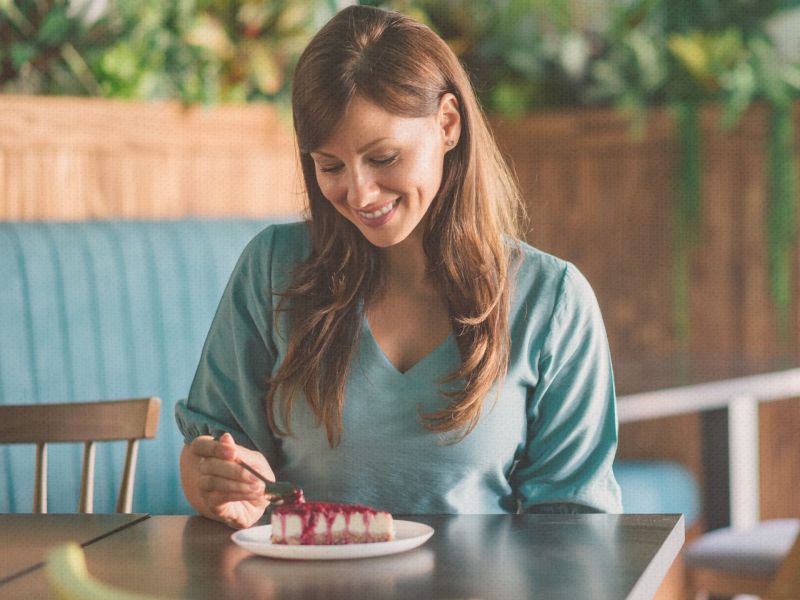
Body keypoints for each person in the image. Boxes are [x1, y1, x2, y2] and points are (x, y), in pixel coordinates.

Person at [176, 5, 622, 530]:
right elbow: (212, 450)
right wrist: (210, 479)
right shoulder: (274, 269)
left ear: (448, 124)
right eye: (331, 166)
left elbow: (575, 525)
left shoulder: (553, 301)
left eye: (384, 158)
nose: (360, 193)